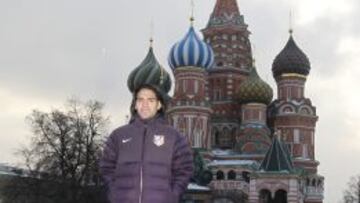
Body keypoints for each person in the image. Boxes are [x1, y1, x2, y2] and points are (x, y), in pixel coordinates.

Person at [99, 84, 193, 203]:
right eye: (140, 100)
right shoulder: (118, 135)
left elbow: (185, 169)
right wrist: (114, 193)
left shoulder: (173, 137)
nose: (145, 104)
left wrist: (172, 196)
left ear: (159, 105)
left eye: (150, 100)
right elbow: (106, 167)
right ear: (135, 104)